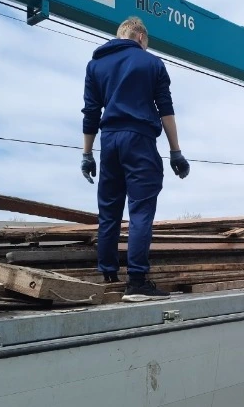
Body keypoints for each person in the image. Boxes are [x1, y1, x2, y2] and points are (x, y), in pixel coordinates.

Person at [80, 16, 190, 302]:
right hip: (139, 140)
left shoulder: (95, 66)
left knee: (109, 211)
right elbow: (165, 109)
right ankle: (137, 282)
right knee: (140, 210)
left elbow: (91, 113)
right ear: (140, 37)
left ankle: (108, 276)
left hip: (109, 142)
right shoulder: (152, 63)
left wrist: (87, 154)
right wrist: (175, 151)